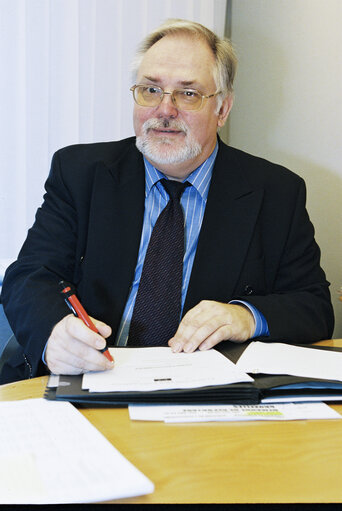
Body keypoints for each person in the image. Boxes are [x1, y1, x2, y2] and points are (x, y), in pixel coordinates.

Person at [0, 19, 334, 384]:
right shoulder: (80, 173)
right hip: (91, 377)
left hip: (204, 395)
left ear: (222, 109)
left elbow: (314, 306)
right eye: (150, 90)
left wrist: (246, 316)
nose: (164, 110)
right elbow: (29, 276)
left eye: (188, 94)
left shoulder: (276, 192)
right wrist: (54, 334)